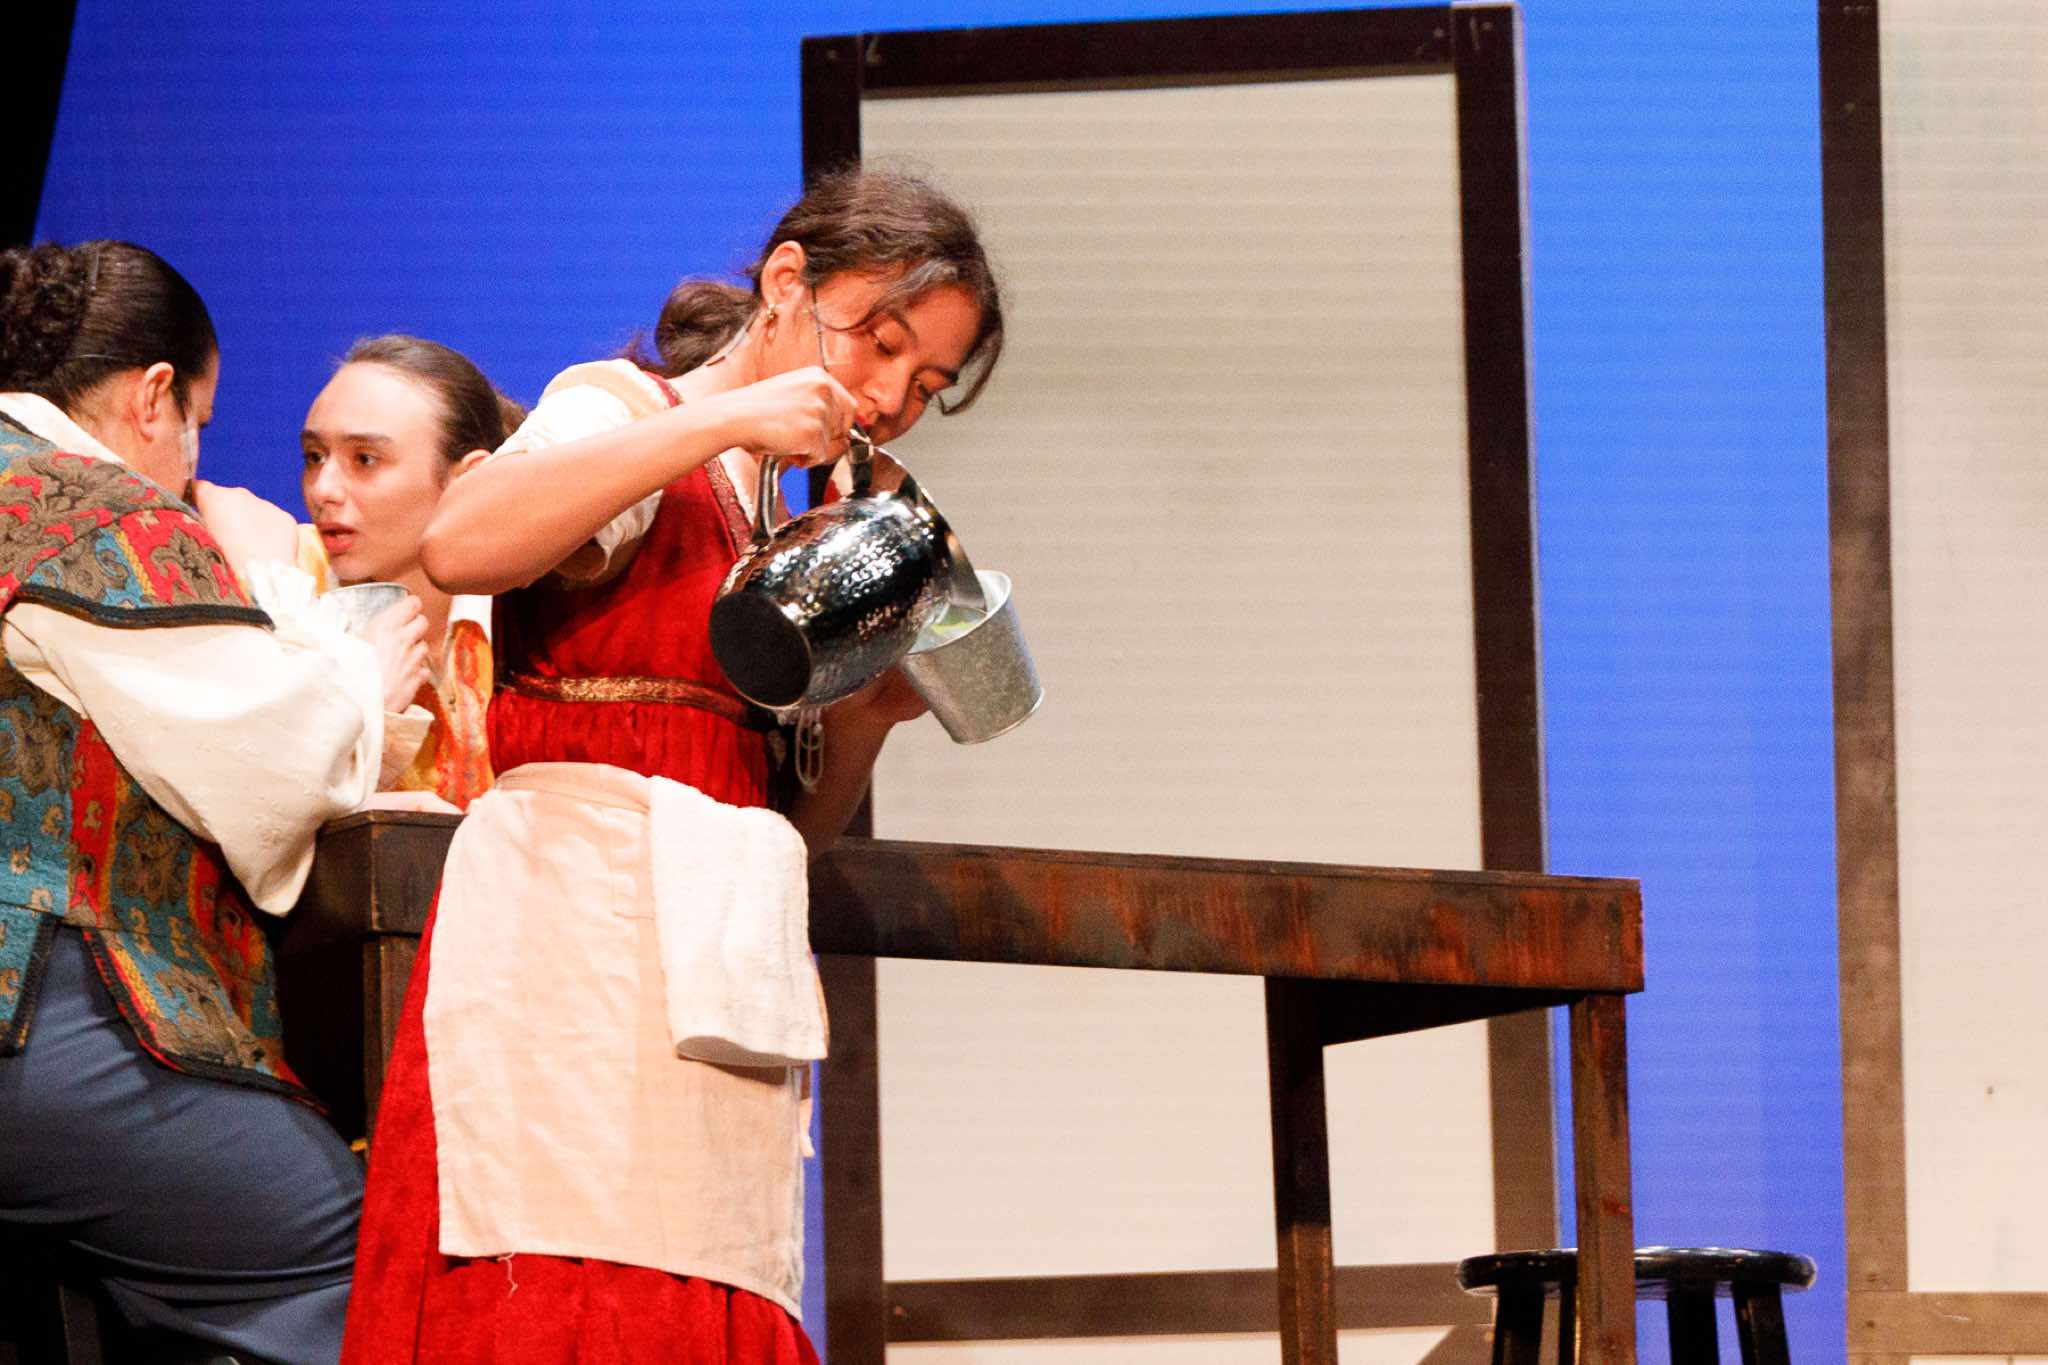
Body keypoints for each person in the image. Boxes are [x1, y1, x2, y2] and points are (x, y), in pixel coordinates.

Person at [341, 167, 1004, 1364]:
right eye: (881, 343)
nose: (888, 396)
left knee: (693, 1294)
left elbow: (774, 832)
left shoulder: (780, 528)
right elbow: (459, 542)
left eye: (924, 384)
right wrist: (722, 420)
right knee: (558, 1295)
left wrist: (866, 720)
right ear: (787, 282)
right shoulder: (623, 409)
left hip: (705, 994)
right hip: (567, 966)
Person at [0, 240, 432, 1363]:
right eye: (198, 421)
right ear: (153, 397)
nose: (195, 461)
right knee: (364, 1275)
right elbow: (274, 762)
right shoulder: (88, 512)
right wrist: (343, 656)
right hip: (35, 1028)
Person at [198, 335, 524, 810]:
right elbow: (250, 807)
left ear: (468, 478)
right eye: (314, 457)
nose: (323, 490)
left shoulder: (529, 610)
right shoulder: (278, 582)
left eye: (365, 460)